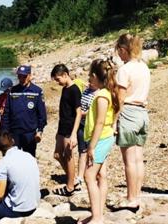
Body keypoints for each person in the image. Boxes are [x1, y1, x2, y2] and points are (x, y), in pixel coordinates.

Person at [80, 59, 120, 224]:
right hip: (103, 137)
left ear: (95, 76)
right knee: (101, 175)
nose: (89, 79)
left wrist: (91, 146)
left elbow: (100, 122)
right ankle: (97, 213)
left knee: (89, 175)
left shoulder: (102, 95)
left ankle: (97, 217)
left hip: (101, 139)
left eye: (90, 76)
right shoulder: (107, 92)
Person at [114, 33, 151, 209]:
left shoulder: (125, 69)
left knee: (129, 159)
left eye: (118, 52)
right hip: (142, 112)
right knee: (138, 158)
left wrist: (114, 120)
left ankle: (131, 198)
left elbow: (120, 98)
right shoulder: (143, 66)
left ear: (122, 50)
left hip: (128, 111)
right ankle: (137, 195)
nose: (118, 56)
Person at [0, 65, 47, 157]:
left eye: (24, 76)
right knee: (13, 158)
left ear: (29, 76)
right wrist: (4, 132)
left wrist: (40, 130)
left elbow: (42, 114)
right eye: (19, 76)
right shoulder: (12, 91)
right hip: (13, 133)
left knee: (29, 158)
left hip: (29, 133)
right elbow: (6, 113)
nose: (22, 79)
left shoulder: (37, 91)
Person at [50, 64, 82, 196]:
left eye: (58, 79)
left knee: (68, 156)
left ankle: (70, 187)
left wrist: (74, 134)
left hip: (70, 128)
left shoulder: (74, 90)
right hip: (62, 127)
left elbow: (79, 112)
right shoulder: (65, 89)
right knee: (57, 154)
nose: (57, 82)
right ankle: (72, 179)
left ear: (65, 75)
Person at [77, 77, 98, 191]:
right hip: (82, 124)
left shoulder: (98, 93)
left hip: (91, 125)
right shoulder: (85, 91)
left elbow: (95, 111)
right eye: (88, 80)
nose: (89, 83)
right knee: (82, 151)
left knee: (91, 151)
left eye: (91, 81)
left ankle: (91, 174)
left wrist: (82, 113)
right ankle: (80, 176)